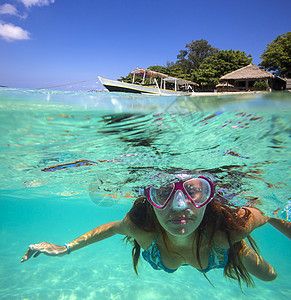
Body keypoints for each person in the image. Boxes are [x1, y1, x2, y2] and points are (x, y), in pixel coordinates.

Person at [21, 173, 290, 287]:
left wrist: (278, 220)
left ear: (209, 197)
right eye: (162, 193)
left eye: (196, 193)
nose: (179, 206)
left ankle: (239, 250)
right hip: (179, 250)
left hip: (221, 249)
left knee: (270, 278)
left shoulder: (229, 231)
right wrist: (65, 248)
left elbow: (266, 212)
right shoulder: (143, 230)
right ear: (150, 199)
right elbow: (112, 228)